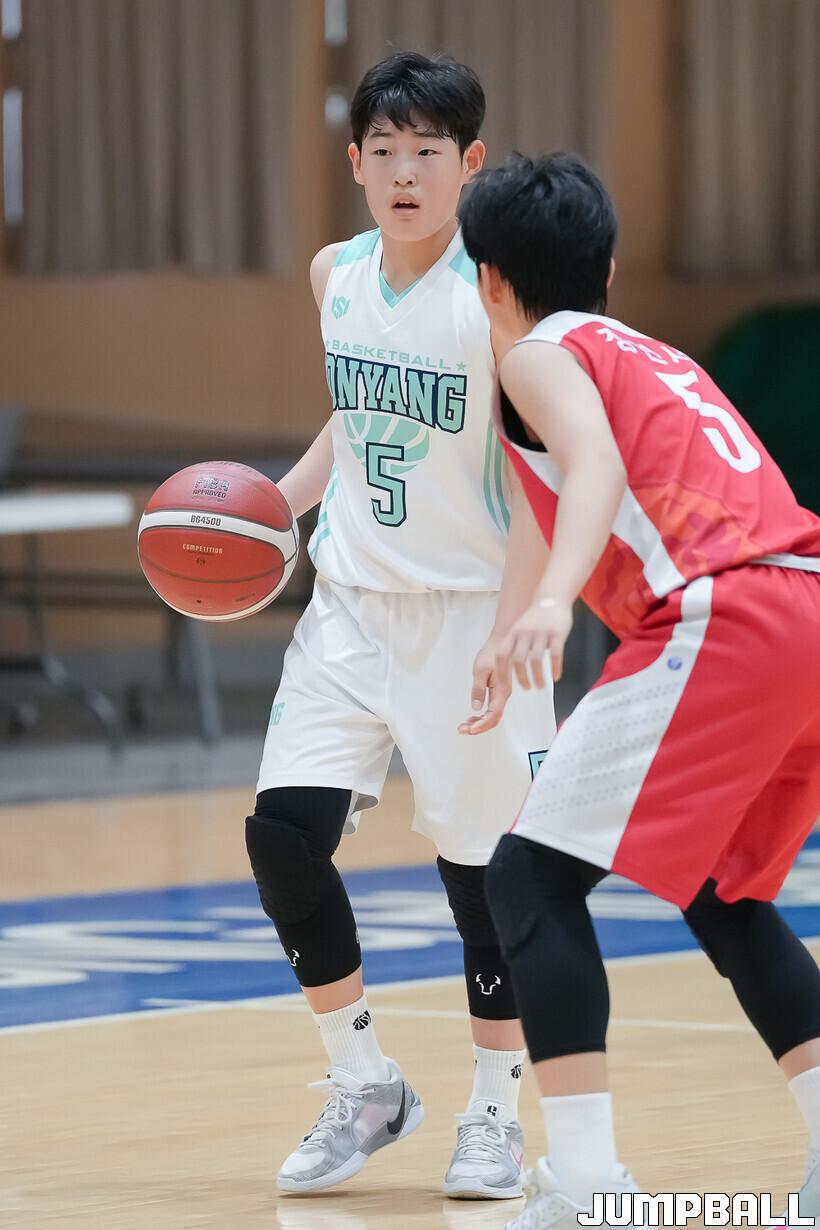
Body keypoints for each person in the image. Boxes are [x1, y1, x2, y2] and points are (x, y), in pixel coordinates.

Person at [457, 152, 820, 1228]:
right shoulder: (645, 352)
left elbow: (597, 471)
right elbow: (544, 510)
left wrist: (551, 607)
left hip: (723, 615)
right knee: (726, 893)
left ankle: (584, 1182)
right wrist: (505, 633)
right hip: (802, 606)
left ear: (487, 279)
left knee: (526, 881)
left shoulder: (536, 355)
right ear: (607, 268)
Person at [245, 55, 555, 1198]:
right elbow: (353, 417)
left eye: (428, 151)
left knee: (482, 881)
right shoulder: (335, 273)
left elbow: (546, 479)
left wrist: (523, 621)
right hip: (348, 606)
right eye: (384, 151)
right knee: (282, 838)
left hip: (472, 617)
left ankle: (494, 1114)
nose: (405, 172)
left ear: (471, 164)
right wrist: (271, 512)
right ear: (355, 163)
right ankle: (364, 1082)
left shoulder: (503, 296)